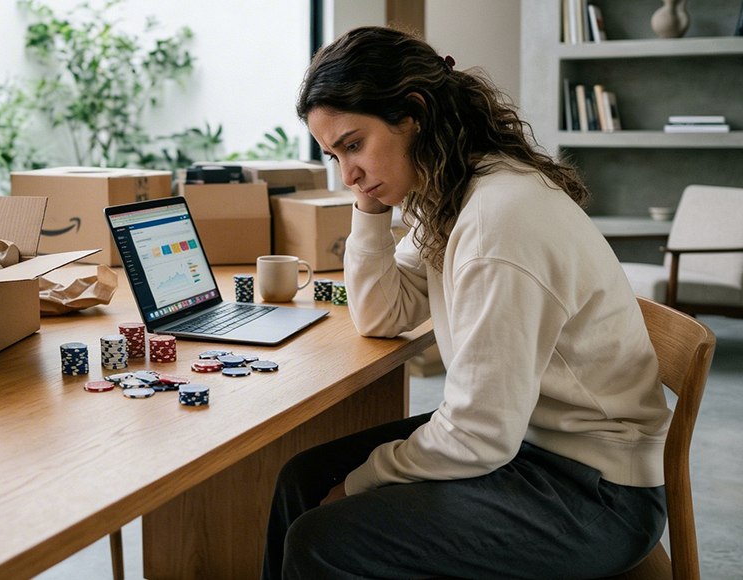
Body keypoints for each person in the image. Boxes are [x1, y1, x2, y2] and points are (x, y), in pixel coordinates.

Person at [261, 26, 670, 580]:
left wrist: (356, 486)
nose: (347, 174)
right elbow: (385, 314)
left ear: (414, 113)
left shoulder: (498, 221)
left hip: (591, 490)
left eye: (354, 145)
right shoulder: (451, 191)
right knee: (302, 478)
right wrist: (369, 204)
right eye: (334, 155)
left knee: (322, 537)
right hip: (529, 441)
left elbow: (479, 435)